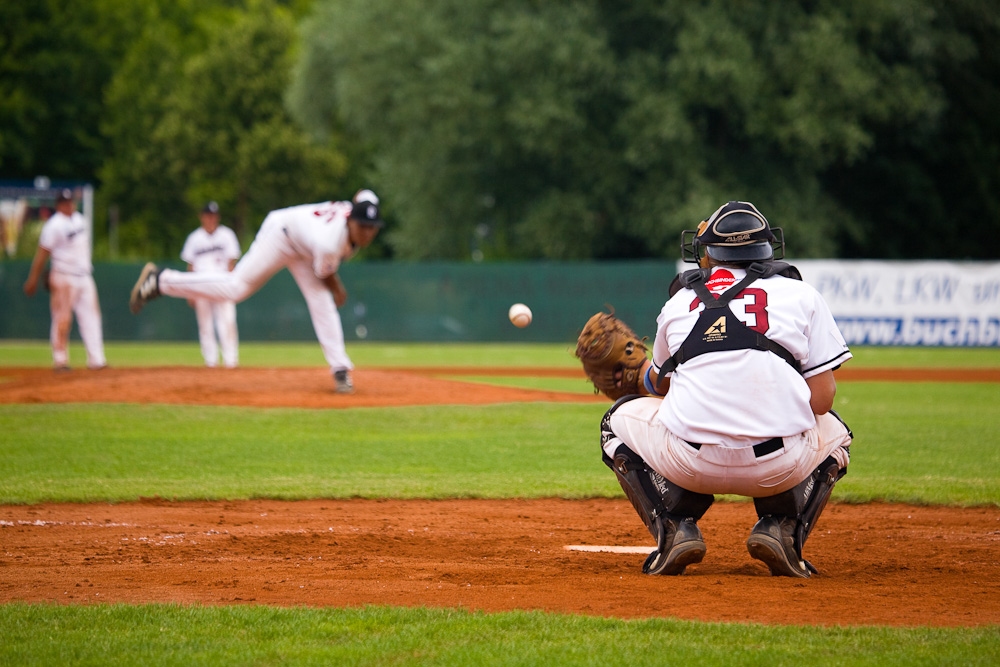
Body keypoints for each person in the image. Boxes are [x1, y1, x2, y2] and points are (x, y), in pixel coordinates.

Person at [600, 201, 853, 578]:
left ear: (708, 253)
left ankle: (674, 527)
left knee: (613, 422)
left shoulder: (680, 301)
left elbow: (660, 385)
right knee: (838, 432)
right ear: (768, 248)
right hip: (778, 467)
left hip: (689, 464)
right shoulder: (804, 297)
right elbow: (822, 399)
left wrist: (644, 377)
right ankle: (783, 529)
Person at [129, 194, 385, 393]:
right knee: (235, 287)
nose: (367, 232)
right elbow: (324, 274)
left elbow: (365, 196)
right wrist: (339, 290)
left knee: (321, 303)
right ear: (350, 220)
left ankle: (340, 369)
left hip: (305, 244)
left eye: (372, 227)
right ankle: (162, 280)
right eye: (362, 226)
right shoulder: (329, 243)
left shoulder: (359, 209)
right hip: (283, 234)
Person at [23, 189, 107, 372]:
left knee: (92, 317)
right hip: (63, 276)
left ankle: (97, 360)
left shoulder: (80, 219)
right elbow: (42, 253)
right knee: (62, 318)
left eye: (71, 202)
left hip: (84, 275)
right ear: (59, 205)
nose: (70, 205)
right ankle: (60, 360)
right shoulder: (53, 225)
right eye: (66, 202)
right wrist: (33, 278)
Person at [180, 201, 242, 368]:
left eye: (213, 215)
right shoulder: (194, 238)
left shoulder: (227, 235)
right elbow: (190, 266)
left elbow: (231, 262)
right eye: (208, 215)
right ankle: (211, 361)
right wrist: (190, 292)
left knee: (227, 321)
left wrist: (232, 285)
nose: (211, 219)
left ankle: (231, 360)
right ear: (202, 217)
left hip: (222, 284)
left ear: (217, 217)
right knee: (205, 324)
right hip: (200, 284)